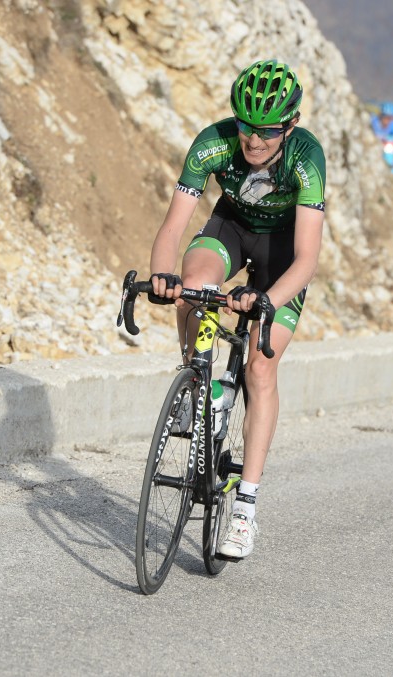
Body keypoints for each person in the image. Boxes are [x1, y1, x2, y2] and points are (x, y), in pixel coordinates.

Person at [148, 59, 327, 559]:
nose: (253, 142)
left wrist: (268, 299)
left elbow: (308, 258)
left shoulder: (307, 158)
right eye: (246, 127)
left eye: (267, 132)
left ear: (289, 126)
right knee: (193, 284)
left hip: (283, 252)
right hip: (231, 225)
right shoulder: (212, 142)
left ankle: (245, 508)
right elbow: (173, 227)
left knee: (260, 366)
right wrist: (164, 277)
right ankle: (200, 380)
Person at [371, 101, 393, 173]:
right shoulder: (373, 121)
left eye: (389, 118)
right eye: (385, 117)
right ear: (381, 116)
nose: (387, 120)